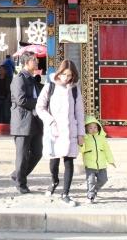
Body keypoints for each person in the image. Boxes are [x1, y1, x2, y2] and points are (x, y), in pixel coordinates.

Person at [36, 59, 85, 207]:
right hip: (54, 130)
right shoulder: (50, 86)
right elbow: (40, 107)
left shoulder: (74, 89)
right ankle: (54, 180)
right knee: (54, 162)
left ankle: (66, 193)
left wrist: (81, 133)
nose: (66, 78)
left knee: (69, 162)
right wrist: (50, 121)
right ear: (59, 73)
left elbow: (79, 112)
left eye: (69, 75)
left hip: (70, 130)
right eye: (64, 74)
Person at [9, 52, 43, 194]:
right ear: (26, 62)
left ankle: (17, 174)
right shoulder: (19, 79)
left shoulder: (33, 79)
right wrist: (39, 102)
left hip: (35, 121)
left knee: (37, 153)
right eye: (34, 60)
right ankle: (21, 183)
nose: (36, 62)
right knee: (22, 155)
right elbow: (21, 100)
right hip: (23, 122)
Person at [80, 116, 115, 204]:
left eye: (95, 127)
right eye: (90, 128)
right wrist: (81, 143)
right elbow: (82, 150)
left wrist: (111, 160)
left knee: (103, 179)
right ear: (86, 129)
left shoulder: (101, 138)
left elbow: (107, 149)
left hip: (101, 163)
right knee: (91, 181)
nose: (93, 129)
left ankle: (94, 190)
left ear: (99, 127)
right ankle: (90, 196)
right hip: (90, 164)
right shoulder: (85, 138)